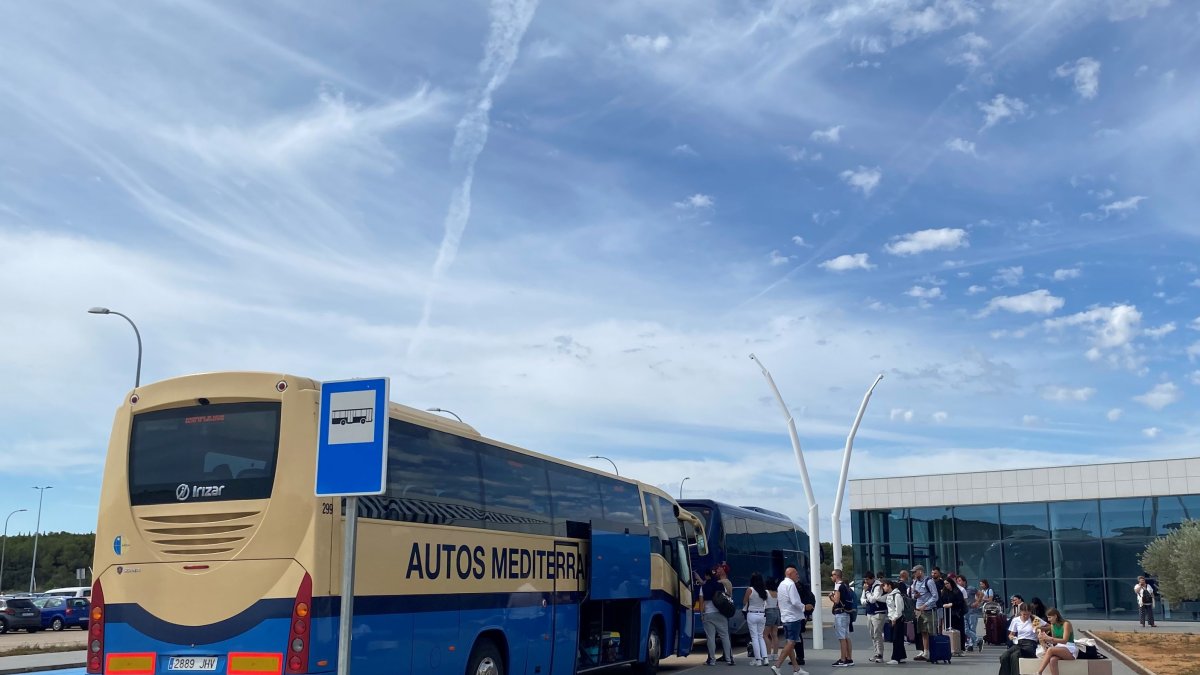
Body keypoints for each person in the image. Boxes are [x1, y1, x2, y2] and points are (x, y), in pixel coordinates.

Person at [770, 566, 810, 675]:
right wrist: (805, 607)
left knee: (790, 643)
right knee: (791, 643)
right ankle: (777, 665)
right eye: (796, 573)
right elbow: (795, 601)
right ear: (790, 574)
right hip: (793, 618)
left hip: (786, 617)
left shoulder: (781, 584)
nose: (798, 575)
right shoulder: (791, 585)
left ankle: (796, 668)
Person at [701, 567, 735, 666]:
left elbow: (702, 601)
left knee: (710, 638)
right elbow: (726, 597)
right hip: (720, 614)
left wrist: (702, 614)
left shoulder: (703, 587)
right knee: (724, 636)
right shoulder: (720, 585)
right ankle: (729, 659)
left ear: (707, 576)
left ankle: (712, 660)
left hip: (708, 614)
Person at [998, 603, 1038, 675]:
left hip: (1030, 644)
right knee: (1004, 656)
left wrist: (1040, 628)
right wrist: (1011, 637)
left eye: (1028, 614)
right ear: (1020, 612)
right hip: (1019, 642)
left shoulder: (1034, 619)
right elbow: (1011, 634)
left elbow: (1048, 626)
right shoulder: (1016, 620)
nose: (1026, 616)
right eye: (1024, 614)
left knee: (1015, 656)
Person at [909, 565, 939, 661]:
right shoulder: (915, 582)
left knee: (931, 631)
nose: (913, 573)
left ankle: (934, 652)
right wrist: (916, 596)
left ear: (920, 571)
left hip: (929, 611)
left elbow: (935, 596)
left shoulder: (929, 582)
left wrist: (925, 605)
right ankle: (925, 652)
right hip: (919, 611)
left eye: (915, 571)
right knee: (923, 632)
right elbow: (914, 596)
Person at [1035, 608, 1077, 675]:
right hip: (1059, 647)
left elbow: (1065, 640)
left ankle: (1039, 672)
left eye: (1050, 617)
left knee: (1051, 650)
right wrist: (1044, 639)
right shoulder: (1052, 625)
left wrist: (1050, 638)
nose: (1048, 620)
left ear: (1055, 616)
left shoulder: (1066, 624)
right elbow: (1054, 641)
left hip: (1069, 648)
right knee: (1052, 660)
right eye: (1047, 617)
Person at [743, 572, 770, 666]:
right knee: (760, 637)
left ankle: (758, 659)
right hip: (762, 615)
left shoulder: (750, 590)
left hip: (752, 614)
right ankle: (765, 658)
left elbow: (744, 601)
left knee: (754, 638)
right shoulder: (765, 591)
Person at [830, 569, 855, 667]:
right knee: (846, 636)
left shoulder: (837, 586)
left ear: (836, 575)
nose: (831, 577)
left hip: (840, 614)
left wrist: (830, 597)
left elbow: (836, 601)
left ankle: (842, 659)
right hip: (847, 613)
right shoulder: (845, 585)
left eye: (832, 575)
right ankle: (849, 658)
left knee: (841, 638)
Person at [862, 570, 887, 664]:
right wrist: (866, 599)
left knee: (877, 634)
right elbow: (862, 599)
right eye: (865, 580)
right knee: (872, 634)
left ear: (872, 578)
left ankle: (880, 654)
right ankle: (876, 653)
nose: (866, 582)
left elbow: (873, 599)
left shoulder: (878, 586)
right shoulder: (867, 586)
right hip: (869, 612)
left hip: (878, 613)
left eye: (867, 579)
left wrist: (867, 592)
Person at [883, 578, 908, 665]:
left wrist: (894, 618)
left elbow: (899, 609)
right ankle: (901, 656)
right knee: (898, 638)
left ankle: (895, 658)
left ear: (889, 586)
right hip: (893, 618)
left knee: (896, 639)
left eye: (884, 586)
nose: (883, 588)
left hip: (897, 619)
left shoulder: (896, 595)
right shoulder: (890, 595)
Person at [942, 578, 967, 656]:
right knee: (948, 629)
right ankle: (951, 648)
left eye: (948, 583)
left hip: (957, 614)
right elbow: (942, 600)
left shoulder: (957, 591)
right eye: (945, 584)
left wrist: (952, 604)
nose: (946, 585)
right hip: (947, 614)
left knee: (959, 631)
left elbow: (960, 602)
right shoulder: (945, 592)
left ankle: (961, 649)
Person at [959, 575, 980, 651]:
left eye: (960, 580)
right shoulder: (959, 590)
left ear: (964, 581)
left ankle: (971, 645)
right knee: (965, 629)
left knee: (972, 628)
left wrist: (977, 602)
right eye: (957, 581)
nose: (958, 582)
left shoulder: (970, 588)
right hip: (964, 611)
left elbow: (980, 594)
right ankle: (978, 640)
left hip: (972, 611)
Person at [764, 577, 781, 661]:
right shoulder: (776, 592)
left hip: (769, 611)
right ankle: (775, 654)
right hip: (776, 611)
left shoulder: (766, 592)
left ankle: (768, 654)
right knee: (774, 634)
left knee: (765, 634)